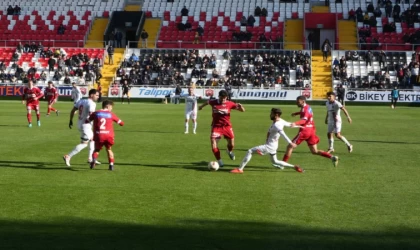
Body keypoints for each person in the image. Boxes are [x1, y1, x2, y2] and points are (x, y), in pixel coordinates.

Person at [230, 108, 304, 174]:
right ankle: (294, 167)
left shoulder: (277, 125)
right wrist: (300, 126)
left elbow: (282, 134)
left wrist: (290, 143)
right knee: (275, 161)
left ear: (276, 115)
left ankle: (240, 169)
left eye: (271, 113)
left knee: (250, 151)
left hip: (270, 146)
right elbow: (289, 124)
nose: (270, 115)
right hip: (273, 146)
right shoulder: (280, 120)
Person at [282, 96, 339, 167]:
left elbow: (304, 120)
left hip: (305, 131)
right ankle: (332, 157)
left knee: (290, 146)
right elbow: (306, 113)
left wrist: (295, 123)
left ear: (303, 101)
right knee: (314, 151)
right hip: (311, 131)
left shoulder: (305, 109)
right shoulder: (308, 107)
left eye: (298, 101)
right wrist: (296, 113)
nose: (296, 103)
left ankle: (282, 164)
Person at [198, 90, 245, 167]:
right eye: (221, 97)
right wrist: (201, 106)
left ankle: (229, 151)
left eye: (224, 97)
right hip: (216, 126)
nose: (223, 99)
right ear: (219, 96)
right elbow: (207, 102)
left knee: (231, 144)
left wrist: (241, 107)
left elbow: (243, 111)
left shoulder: (230, 103)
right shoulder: (214, 102)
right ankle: (219, 160)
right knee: (214, 144)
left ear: (226, 97)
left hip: (227, 126)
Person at [63, 89, 100, 166]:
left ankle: (91, 158)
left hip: (80, 123)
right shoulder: (92, 103)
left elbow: (73, 110)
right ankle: (68, 156)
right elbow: (91, 115)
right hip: (86, 125)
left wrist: (70, 120)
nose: (98, 97)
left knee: (92, 140)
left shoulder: (81, 101)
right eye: (96, 95)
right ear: (91, 95)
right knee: (84, 144)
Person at [87, 100, 124, 171]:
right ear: (107, 106)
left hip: (99, 134)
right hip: (108, 135)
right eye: (111, 107)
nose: (111, 109)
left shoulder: (96, 113)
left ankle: (94, 160)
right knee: (109, 149)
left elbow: (87, 120)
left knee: (97, 149)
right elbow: (121, 123)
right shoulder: (110, 114)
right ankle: (111, 165)